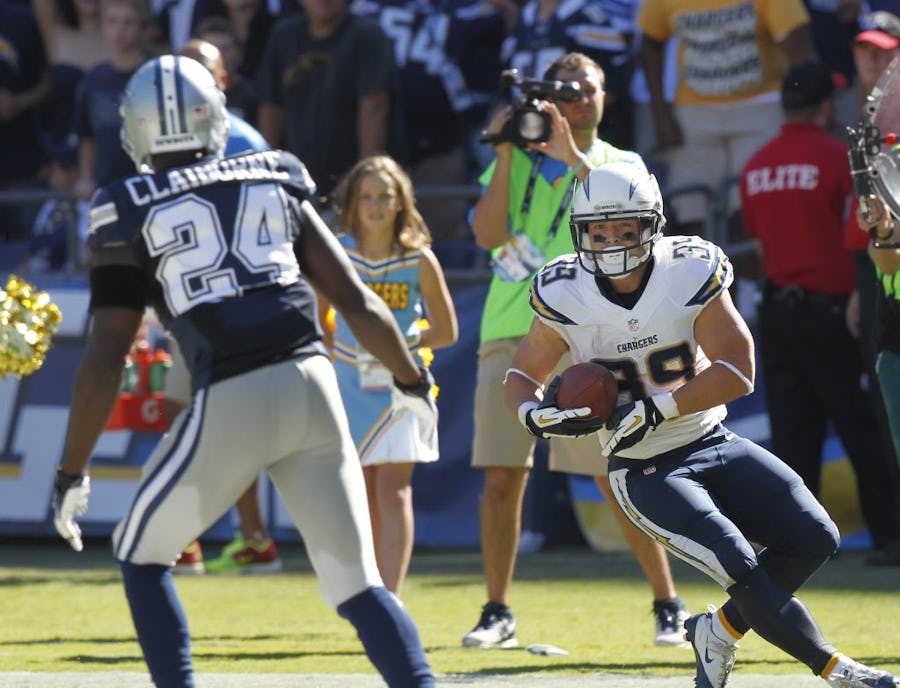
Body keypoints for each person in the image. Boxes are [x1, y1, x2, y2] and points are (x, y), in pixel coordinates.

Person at [49, 54, 436, 688]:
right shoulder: (272, 173)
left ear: (138, 127)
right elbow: (357, 301)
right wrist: (412, 381)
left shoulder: (124, 206)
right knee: (358, 585)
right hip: (313, 385)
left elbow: (107, 353)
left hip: (233, 394)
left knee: (140, 553)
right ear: (214, 116)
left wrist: (70, 471)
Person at [504, 160, 900, 688]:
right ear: (581, 233)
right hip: (644, 469)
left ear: (652, 225)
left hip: (710, 439)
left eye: (624, 229)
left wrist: (656, 409)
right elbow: (520, 374)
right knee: (738, 563)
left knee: (814, 537)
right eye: (599, 232)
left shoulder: (687, 269)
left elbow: (738, 369)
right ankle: (836, 668)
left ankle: (716, 631)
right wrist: (533, 414)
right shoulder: (565, 289)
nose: (612, 243)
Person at [465, 51, 690, 651]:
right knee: (501, 477)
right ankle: (496, 611)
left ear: (603, 96)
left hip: (592, 331)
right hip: (510, 328)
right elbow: (487, 235)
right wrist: (505, 149)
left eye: (585, 89)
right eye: (564, 91)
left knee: (612, 476)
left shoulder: (622, 163)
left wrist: (570, 157)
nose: (576, 99)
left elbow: (644, 229)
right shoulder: (520, 156)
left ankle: (667, 602)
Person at [739, 61, 900, 566]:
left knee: (792, 438)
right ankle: (890, 536)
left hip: (777, 312)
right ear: (826, 107)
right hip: (833, 310)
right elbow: (860, 232)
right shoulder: (836, 159)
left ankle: (799, 544)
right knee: (862, 428)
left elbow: (758, 238)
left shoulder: (756, 164)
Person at [165, 38, 281, 574]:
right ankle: (193, 535)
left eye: (202, 71)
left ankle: (251, 537)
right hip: (183, 302)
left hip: (237, 304)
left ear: (223, 81)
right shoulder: (158, 141)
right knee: (181, 415)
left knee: (230, 423)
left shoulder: (245, 141)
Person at [319, 154, 458, 595]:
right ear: (353, 203)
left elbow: (447, 331)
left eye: (385, 196)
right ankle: (368, 590)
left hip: (401, 385)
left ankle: (391, 597)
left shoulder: (417, 259)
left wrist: (400, 346)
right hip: (349, 384)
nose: (376, 206)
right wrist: (344, 351)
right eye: (366, 197)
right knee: (361, 492)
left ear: (401, 201)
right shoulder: (337, 253)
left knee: (393, 490)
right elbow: (317, 319)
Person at [639, 0, 817, 237]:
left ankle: (748, 262)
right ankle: (701, 260)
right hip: (694, 111)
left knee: (754, 198)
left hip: (759, 106)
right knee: (691, 204)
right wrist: (661, 115)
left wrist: (811, 104)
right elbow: (650, 43)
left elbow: (798, 45)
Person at [256, 0, 397, 209]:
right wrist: (269, 172)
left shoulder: (367, 35)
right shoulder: (284, 35)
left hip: (352, 188)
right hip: (294, 183)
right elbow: (271, 106)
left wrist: (361, 176)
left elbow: (375, 106)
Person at [73, 0, 152, 203]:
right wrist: (85, 176)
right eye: (113, 21)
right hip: (107, 189)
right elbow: (87, 135)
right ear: (102, 27)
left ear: (143, 30)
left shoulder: (154, 76)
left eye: (128, 23)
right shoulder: (95, 78)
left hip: (149, 187)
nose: (119, 30)